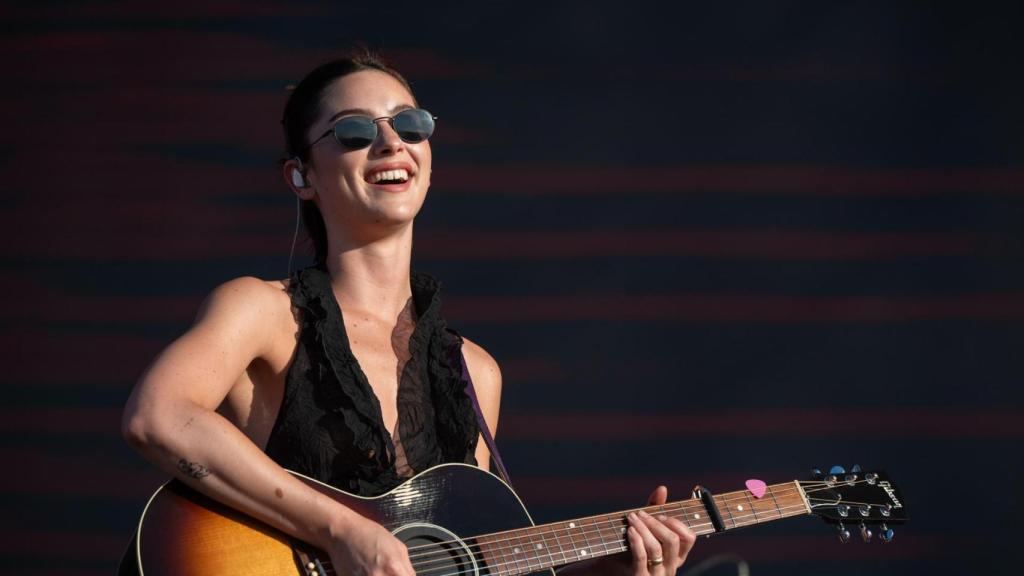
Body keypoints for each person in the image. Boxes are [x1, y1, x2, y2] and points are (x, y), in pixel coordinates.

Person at [121, 51, 695, 576]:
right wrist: (342, 530)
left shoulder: (474, 372)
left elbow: (468, 562)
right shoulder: (261, 311)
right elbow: (158, 416)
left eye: (410, 124)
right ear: (301, 176)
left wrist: (613, 571)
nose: (392, 143)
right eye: (353, 131)